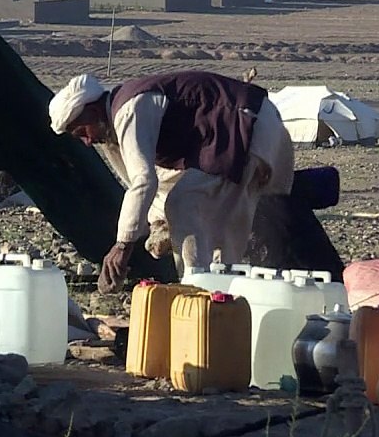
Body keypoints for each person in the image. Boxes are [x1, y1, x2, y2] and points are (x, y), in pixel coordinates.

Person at [48, 70, 294, 292]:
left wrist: (122, 246)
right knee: (209, 219)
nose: (87, 142)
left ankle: (197, 289)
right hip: (244, 129)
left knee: (184, 203)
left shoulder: (130, 110)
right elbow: (158, 177)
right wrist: (157, 221)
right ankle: (217, 291)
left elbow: (144, 181)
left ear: (92, 111)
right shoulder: (116, 122)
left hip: (244, 124)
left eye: (82, 132)